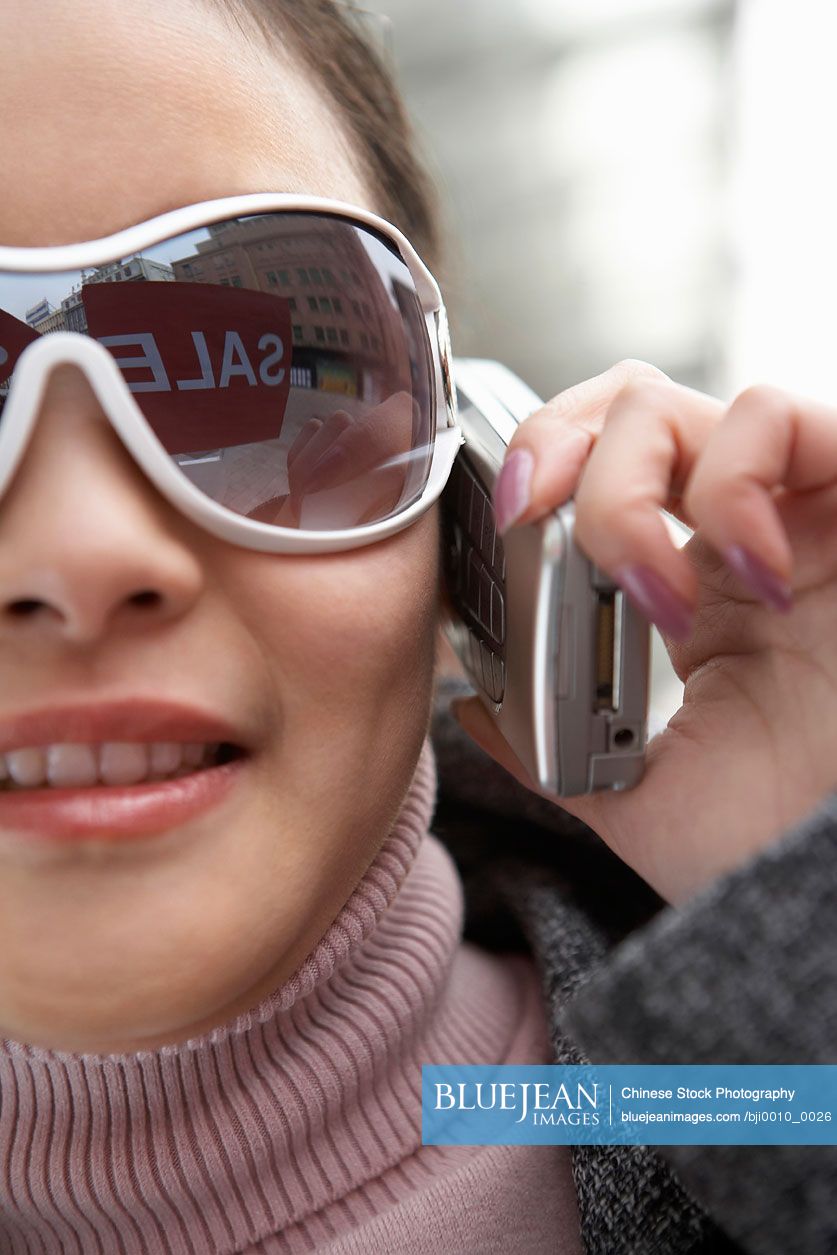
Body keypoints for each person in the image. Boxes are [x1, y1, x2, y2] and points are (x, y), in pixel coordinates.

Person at [0, 1, 833, 1252]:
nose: (82, 559)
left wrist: (806, 929)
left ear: (461, 521)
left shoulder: (760, 1100)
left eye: (264, 390)